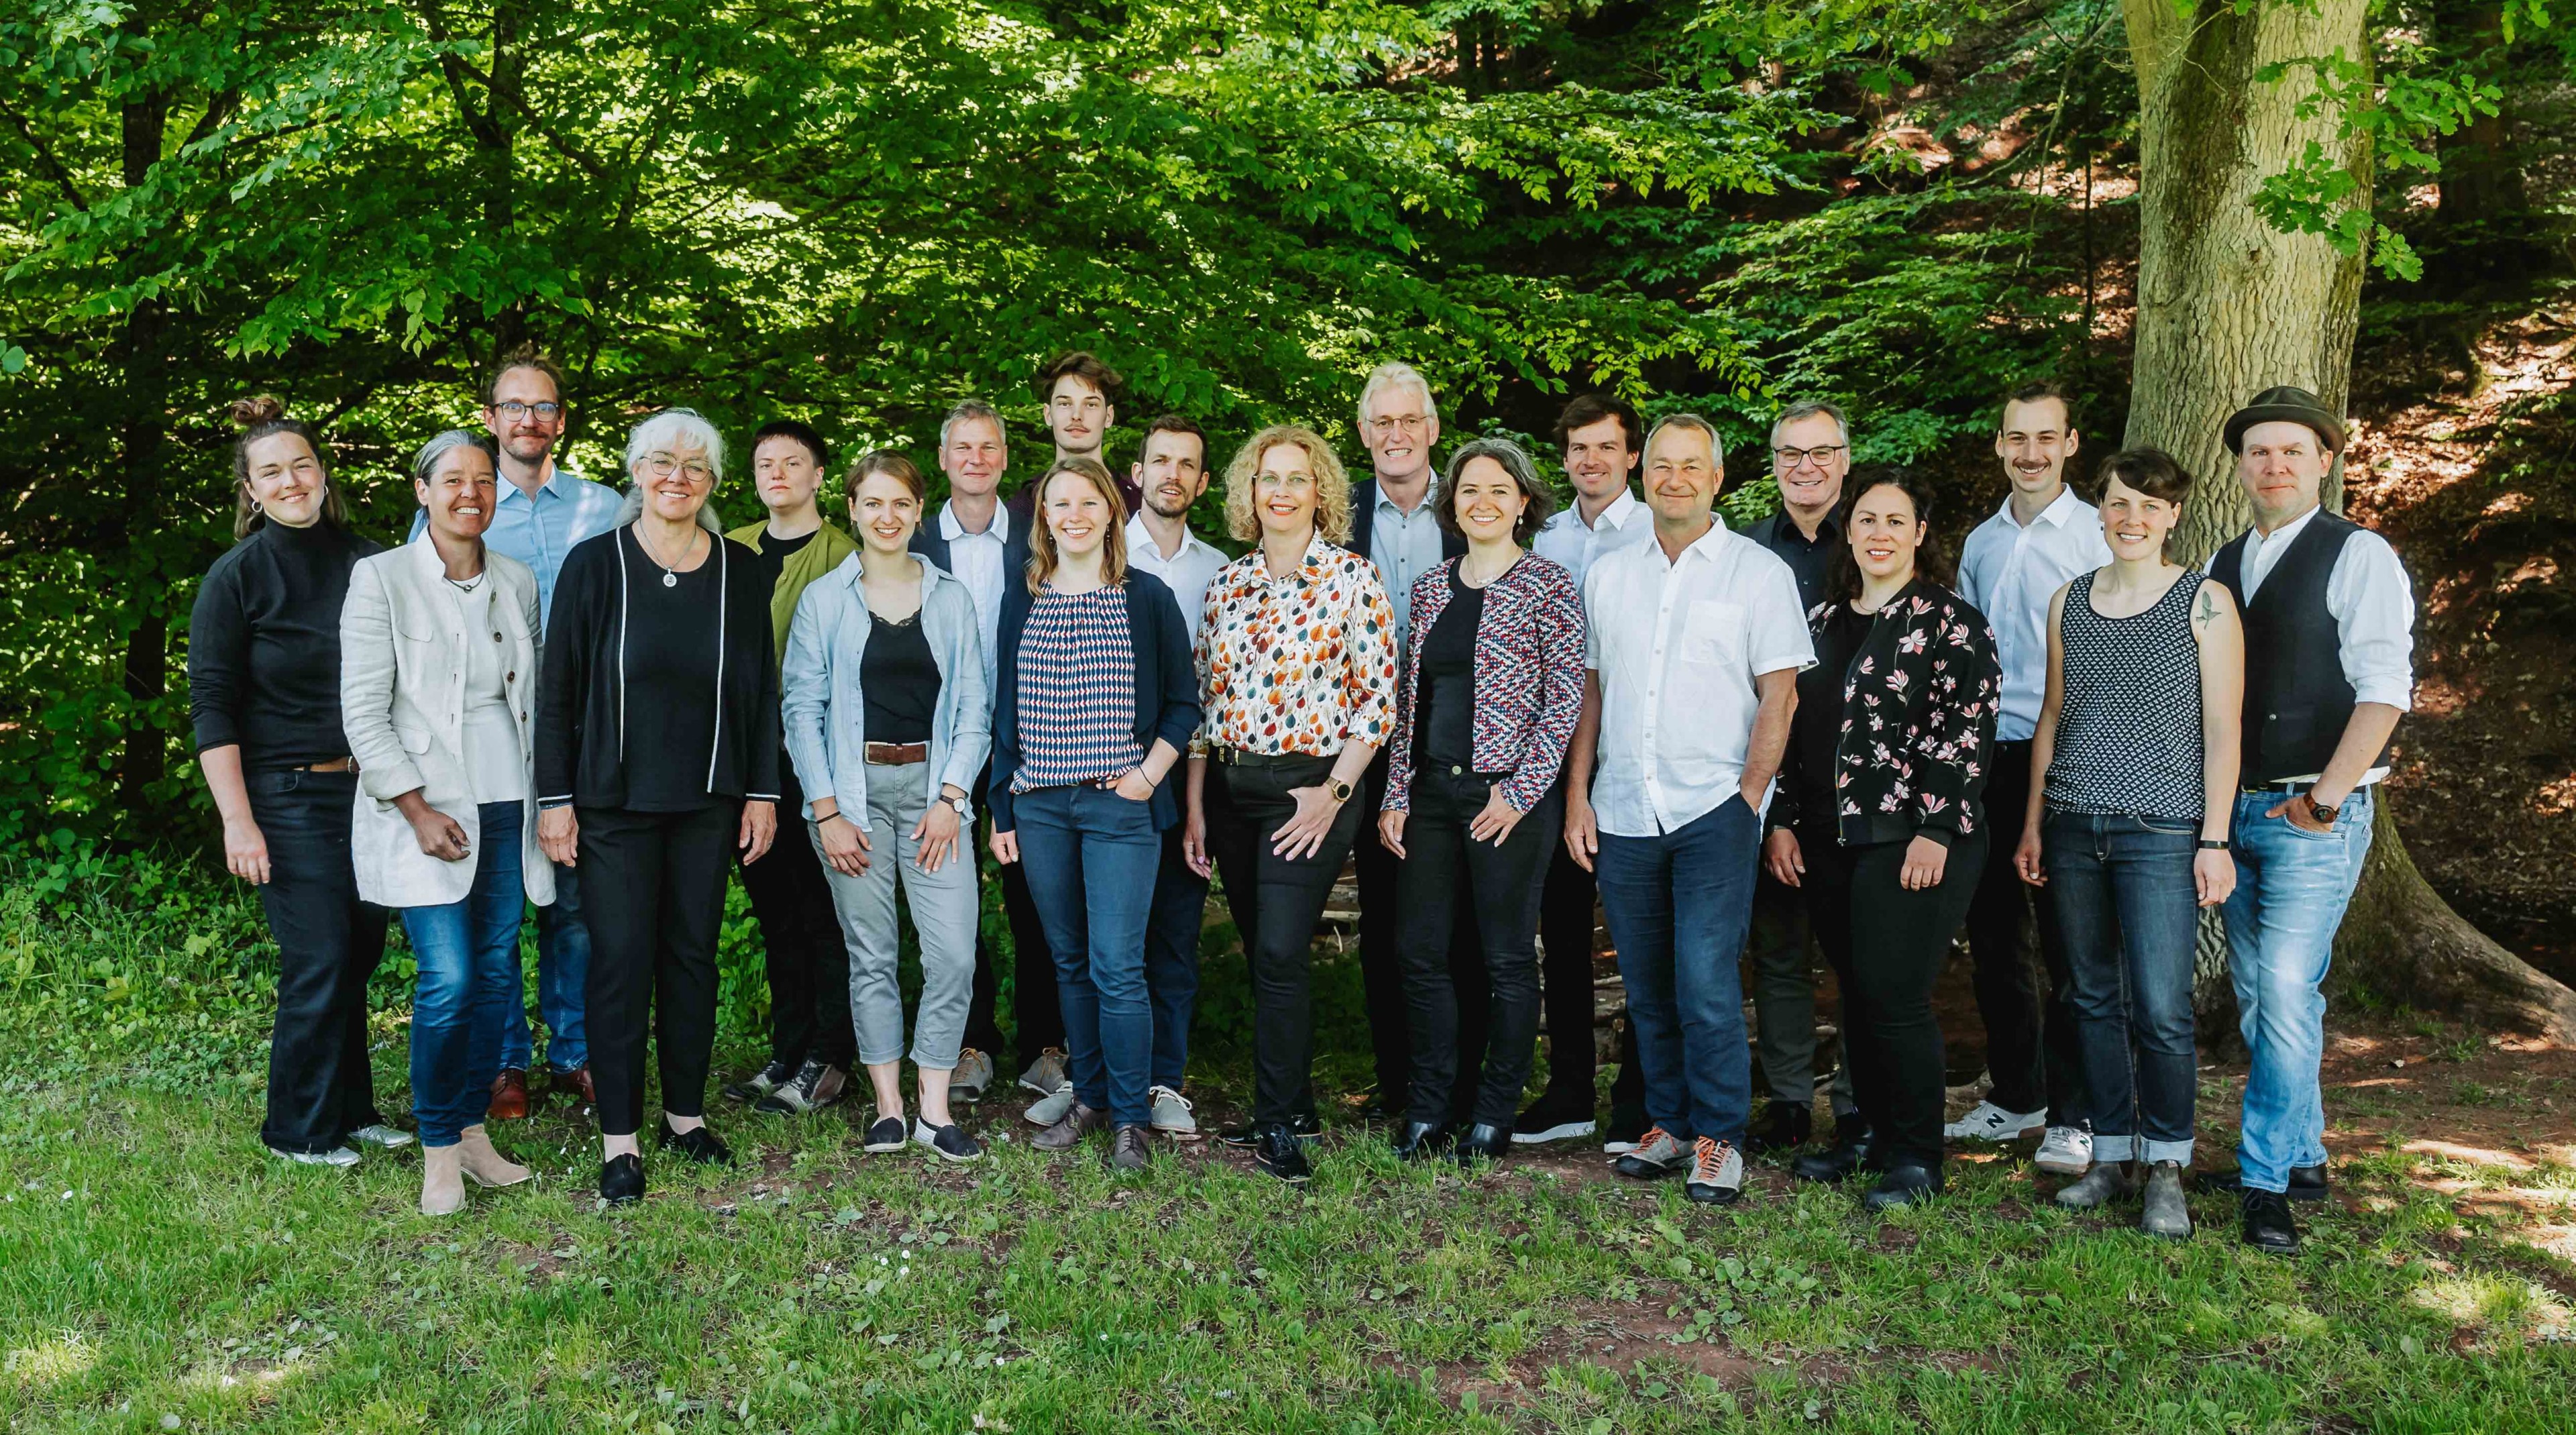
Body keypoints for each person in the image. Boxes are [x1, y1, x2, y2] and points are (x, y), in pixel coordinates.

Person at [535, 409, 781, 1206]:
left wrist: (763, 791)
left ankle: (684, 1118)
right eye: (663, 461)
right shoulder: (594, 564)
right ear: (637, 471)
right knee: (619, 963)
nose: (678, 476)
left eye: (695, 465)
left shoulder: (741, 570)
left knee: (692, 959)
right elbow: (557, 691)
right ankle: (620, 1140)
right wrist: (556, 799)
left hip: (709, 799)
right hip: (613, 803)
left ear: (713, 481)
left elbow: (760, 691)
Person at [1565, 414, 1812, 1206]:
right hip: (1624, 809)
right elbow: (1592, 693)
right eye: (1662, 465)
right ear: (1645, 476)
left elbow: (1781, 695)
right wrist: (1578, 794)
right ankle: (1668, 1124)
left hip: (1714, 809)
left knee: (1705, 982)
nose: (1675, 479)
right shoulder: (1609, 574)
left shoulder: (1757, 573)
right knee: (1647, 986)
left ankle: (1719, 1137)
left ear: (1718, 477)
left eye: (1691, 466)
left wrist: (1750, 798)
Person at [2201, 385, 2415, 1255]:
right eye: (2259, 451)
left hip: (2312, 815)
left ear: (2325, 461)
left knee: (2288, 992)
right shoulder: (2222, 562)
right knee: (2263, 998)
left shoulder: (2358, 554)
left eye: (2293, 450)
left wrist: (2325, 800)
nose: (2275, 464)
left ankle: (2264, 1184)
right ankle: (2304, 1158)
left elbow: (2385, 690)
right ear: (2241, 466)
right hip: (2236, 810)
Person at [2015, 447, 2243, 1240]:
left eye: (2150, 506)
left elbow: (2223, 728)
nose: (2132, 518)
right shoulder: (2068, 602)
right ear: (2101, 510)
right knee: (2089, 997)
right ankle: (2109, 1156)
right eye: (2119, 503)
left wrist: (2215, 838)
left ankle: (2166, 1166)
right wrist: (2034, 822)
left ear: (2173, 516)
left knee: (2162, 1006)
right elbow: (2052, 716)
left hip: (2163, 830)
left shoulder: (2204, 602)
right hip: (2073, 825)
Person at [1766, 468, 2002, 1210]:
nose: (1879, 534)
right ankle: (1864, 1134)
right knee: (1860, 992)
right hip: (1827, 835)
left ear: (1920, 534)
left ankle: (1917, 1157)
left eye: (1896, 521)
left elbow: (1966, 735)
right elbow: (1790, 728)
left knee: (1896, 996)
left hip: (1913, 838)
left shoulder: (1952, 622)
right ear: (1849, 529)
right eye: (1867, 519)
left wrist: (1935, 829)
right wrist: (1781, 818)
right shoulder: (1819, 621)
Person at [340, 431, 549, 1214]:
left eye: (484, 480)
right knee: (450, 977)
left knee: (494, 974)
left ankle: (471, 1134)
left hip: (508, 802)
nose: (471, 493)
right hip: (426, 810)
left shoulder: (517, 579)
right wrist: (416, 809)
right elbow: (364, 712)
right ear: (422, 491)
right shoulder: (381, 578)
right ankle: (437, 1151)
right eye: (453, 480)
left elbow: (534, 701)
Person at [411, 346, 622, 1120]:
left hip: (582, 732)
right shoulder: (457, 503)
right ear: (490, 417)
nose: (528, 419)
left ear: (560, 421)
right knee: (493, 910)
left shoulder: (607, 507)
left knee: (574, 905)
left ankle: (575, 1051)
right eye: (513, 406)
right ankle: (506, 1064)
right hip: (485, 738)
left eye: (542, 406)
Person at [189, 396, 398, 1168]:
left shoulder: (371, 562)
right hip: (284, 794)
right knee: (322, 954)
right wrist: (237, 820)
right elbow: (212, 706)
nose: (290, 481)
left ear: (322, 472)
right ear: (252, 489)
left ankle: (351, 1111)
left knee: (360, 953)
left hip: (369, 792)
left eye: (301, 465)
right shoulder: (237, 578)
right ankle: (297, 1131)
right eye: (271, 472)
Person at [1186, 424, 1398, 1183]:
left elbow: (1377, 703)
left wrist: (1335, 793)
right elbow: (1205, 704)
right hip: (1231, 789)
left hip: (1311, 789)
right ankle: (1295, 1101)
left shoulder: (1352, 579)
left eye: (1296, 479)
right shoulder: (1227, 584)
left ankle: (1278, 1124)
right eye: (1268, 478)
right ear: (1250, 491)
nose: (1281, 491)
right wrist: (1197, 807)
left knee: (1280, 951)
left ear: (1320, 493)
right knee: (1263, 951)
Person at [1377, 439, 1584, 1165]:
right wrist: (1397, 791)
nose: (1483, 502)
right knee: (1419, 952)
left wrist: (1520, 793)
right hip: (1432, 791)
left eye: (1499, 490)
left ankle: (1494, 1114)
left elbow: (1565, 702)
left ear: (1523, 502)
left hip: (1508, 798)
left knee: (1506, 960)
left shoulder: (1549, 585)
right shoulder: (1433, 586)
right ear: (1453, 504)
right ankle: (1432, 1109)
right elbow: (1410, 698)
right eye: (1470, 490)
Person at [990, 458, 1201, 1172]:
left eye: (1088, 502)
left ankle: (1130, 1118)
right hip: (1041, 806)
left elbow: (1184, 704)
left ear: (1112, 510)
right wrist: (1002, 808)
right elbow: (1003, 711)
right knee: (1070, 962)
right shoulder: (1023, 597)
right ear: (1044, 517)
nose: (1074, 515)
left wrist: (1148, 776)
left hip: (1119, 805)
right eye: (1060, 504)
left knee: (1117, 965)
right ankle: (1090, 1097)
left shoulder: (1145, 597)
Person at [783, 449, 991, 1162]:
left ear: (919, 510)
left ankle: (934, 1107)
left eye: (901, 502)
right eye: (873, 502)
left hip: (936, 796)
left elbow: (974, 709)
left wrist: (952, 797)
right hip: (853, 797)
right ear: (852, 510)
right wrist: (828, 812)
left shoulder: (951, 598)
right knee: (871, 955)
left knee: (953, 955)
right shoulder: (824, 600)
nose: (888, 515)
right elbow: (801, 711)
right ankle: (890, 1107)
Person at [1949, 381, 2111, 1175]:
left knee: (2070, 941)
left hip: (2070, 757)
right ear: (2000, 445)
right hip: (1988, 758)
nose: (2032, 453)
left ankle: (2076, 1113)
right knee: (1994, 937)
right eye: (2018, 438)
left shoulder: (2096, 536)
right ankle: (2018, 1093)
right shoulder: (1982, 542)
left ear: (2071, 444)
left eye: (2047, 437)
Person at [910, 398, 1057, 1105]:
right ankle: (970, 1041)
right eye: (962, 447)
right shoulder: (912, 542)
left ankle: (1045, 1043)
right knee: (949, 899)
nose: (975, 459)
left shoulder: (1037, 537)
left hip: (1028, 738)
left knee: (1035, 893)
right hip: (939, 745)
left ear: (1004, 459)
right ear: (943, 459)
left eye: (988, 447)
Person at [1348, 360, 1478, 1126]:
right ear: (1365, 434)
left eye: (1409, 421)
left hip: (1448, 737)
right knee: (1383, 914)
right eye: (1382, 422)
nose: (1396, 434)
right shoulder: (1340, 510)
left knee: (1455, 918)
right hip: (1361, 741)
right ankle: (1398, 1082)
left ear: (1431, 429)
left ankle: (1459, 1082)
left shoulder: (1470, 505)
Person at [719, 421, 862, 1116]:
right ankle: (787, 1049)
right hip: (747, 763)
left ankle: (829, 1057)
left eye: (793, 462)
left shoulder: (845, 556)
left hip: (817, 763)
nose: (777, 473)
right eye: (764, 463)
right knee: (776, 913)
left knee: (821, 913)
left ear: (819, 476)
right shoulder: (730, 548)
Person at [1523, 393, 1652, 1149]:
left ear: (1632, 455)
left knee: (1639, 937)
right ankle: (1569, 1089)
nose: (1592, 460)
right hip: (1551, 761)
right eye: (1579, 448)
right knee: (1563, 935)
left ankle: (1640, 1095)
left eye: (1607, 446)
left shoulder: (1657, 531)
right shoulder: (1545, 537)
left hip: (1634, 758)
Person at [1737, 400, 1861, 1155]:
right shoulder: (1744, 551)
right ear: (1774, 462)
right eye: (1791, 453)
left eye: (1821, 452)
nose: (1805, 466)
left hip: (1862, 789)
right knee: (1779, 953)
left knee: (1856, 956)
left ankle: (1854, 1103)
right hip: (1773, 779)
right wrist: (1773, 809)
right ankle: (1787, 1099)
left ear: (1845, 460)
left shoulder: (1877, 538)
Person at [1121, 415, 1232, 1138]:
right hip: (1102, 768)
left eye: (1186, 464)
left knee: (1173, 933)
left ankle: (1166, 1079)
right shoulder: (1099, 551)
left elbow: (1214, 688)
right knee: (1107, 939)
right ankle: (1096, 1076)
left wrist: (1195, 798)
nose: (1172, 474)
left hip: (1187, 770)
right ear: (1137, 473)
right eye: (1160, 460)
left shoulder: (1220, 570)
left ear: (1203, 481)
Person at [1035, 352, 1143, 513]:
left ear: (1109, 416)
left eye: (1091, 405)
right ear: (1048, 414)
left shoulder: (1137, 503)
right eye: (1065, 404)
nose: (1077, 415)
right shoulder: (1026, 504)